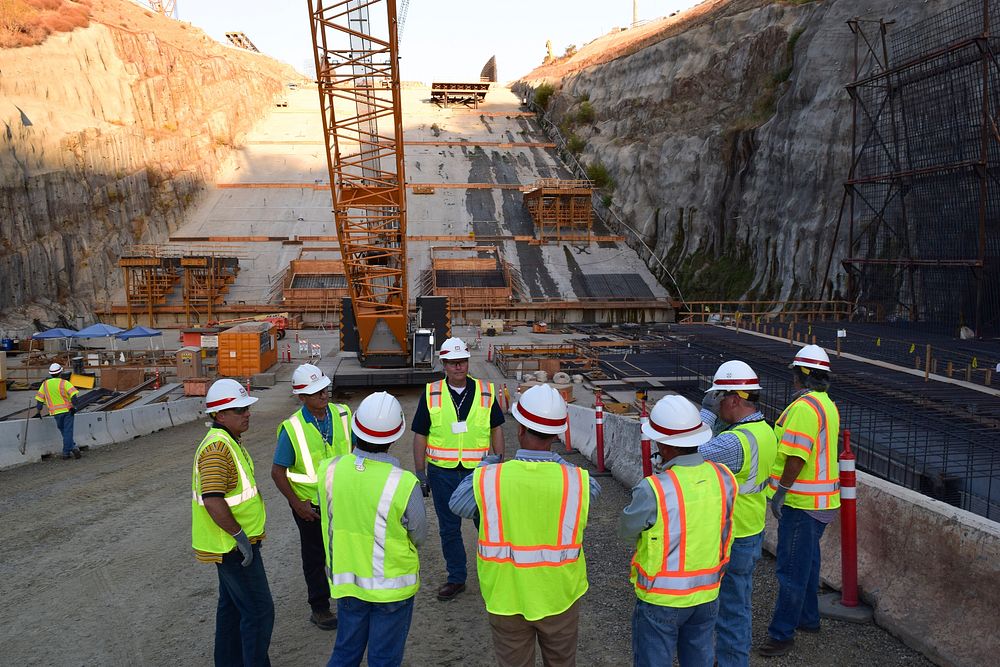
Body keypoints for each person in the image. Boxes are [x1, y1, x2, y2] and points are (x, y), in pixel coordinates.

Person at [449, 383, 600, 667]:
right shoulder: (578, 481)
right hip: (560, 598)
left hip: (507, 598)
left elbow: (457, 505)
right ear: (557, 434)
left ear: (519, 428)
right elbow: (590, 498)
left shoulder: (488, 479)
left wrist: (484, 467)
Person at [620, 395, 737, 667]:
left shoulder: (655, 488)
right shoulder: (724, 478)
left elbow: (627, 531)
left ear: (664, 444)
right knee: (700, 658)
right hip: (708, 593)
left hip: (662, 598)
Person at [317, 391, 426, 667]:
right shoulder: (404, 483)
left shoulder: (329, 470)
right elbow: (419, 534)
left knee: (344, 653)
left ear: (355, 427)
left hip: (348, 582)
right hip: (392, 590)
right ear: (395, 436)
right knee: (384, 659)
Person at [759, 344, 841, 657]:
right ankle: (808, 619)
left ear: (802, 375)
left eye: (795, 373)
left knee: (791, 568)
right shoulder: (825, 404)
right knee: (807, 562)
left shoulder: (804, 409)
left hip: (802, 503)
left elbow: (795, 456)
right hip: (821, 503)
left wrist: (780, 492)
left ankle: (781, 634)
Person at [411, 336, 505, 601]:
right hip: (442, 472)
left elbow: (496, 427)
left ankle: (494, 577)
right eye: (452, 363)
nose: (458, 367)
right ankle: (456, 578)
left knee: (487, 528)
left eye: (462, 361)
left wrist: (498, 462)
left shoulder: (486, 391)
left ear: (467, 361)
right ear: (444, 364)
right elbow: (420, 434)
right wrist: (421, 473)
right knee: (449, 528)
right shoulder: (431, 393)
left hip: (479, 472)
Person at [699, 361, 778, 667]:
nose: (717, 406)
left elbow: (689, 451)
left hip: (733, 535)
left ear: (733, 399)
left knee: (731, 610)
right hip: (750, 527)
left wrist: (705, 413)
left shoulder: (736, 441)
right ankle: (730, 658)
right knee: (738, 605)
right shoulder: (763, 430)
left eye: (719, 399)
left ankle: (731, 661)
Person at [191, 379, 273, 666]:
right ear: (220, 415)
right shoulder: (217, 449)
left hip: (232, 546)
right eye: (239, 410)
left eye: (246, 408)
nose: (247, 413)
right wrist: (240, 537)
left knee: (233, 610)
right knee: (259, 612)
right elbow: (213, 500)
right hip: (235, 549)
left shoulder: (227, 441)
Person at [271, 363, 352, 630]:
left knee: (346, 552)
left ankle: (350, 598)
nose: (323, 395)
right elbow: (278, 472)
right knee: (315, 557)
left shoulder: (342, 414)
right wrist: (297, 504)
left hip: (343, 500)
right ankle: (320, 607)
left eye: (324, 389)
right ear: (302, 397)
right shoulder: (292, 428)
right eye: (316, 392)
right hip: (311, 507)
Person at [34, 363, 81, 459]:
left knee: (64, 432)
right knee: (67, 432)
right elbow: (74, 397)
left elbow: (39, 400)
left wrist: (38, 411)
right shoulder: (64, 383)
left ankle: (70, 449)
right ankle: (67, 451)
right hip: (68, 411)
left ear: (51, 374)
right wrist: (74, 407)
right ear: (60, 373)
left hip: (55, 413)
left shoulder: (45, 384)